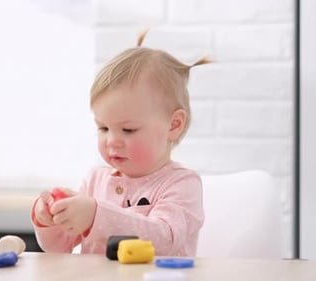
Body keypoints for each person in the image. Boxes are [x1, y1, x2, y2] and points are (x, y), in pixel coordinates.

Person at [30, 29, 209, 256]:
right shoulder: (96, 180)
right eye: (103, 128)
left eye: (128, 129)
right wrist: (50, 220)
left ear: (173, 125)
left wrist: (96, 216)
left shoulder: (182, 184)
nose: (112, 141)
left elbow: (164, 237)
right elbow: (59, 248)